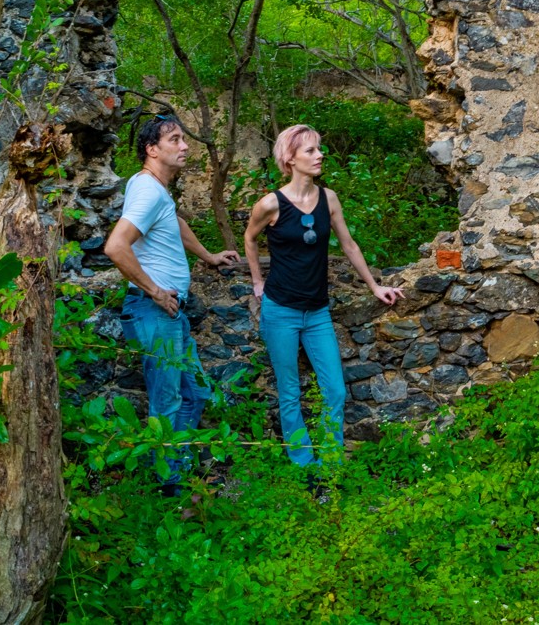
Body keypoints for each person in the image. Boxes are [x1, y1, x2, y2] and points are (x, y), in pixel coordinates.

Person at [244, 124, 403, 468]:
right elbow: (250, 238)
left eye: (319, 149)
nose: (320, 156)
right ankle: (304, 467)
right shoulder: (271, 204)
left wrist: (375, 286)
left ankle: (331, 467)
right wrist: (258, 281)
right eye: (311, 151)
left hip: (317, 313)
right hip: (280, 310)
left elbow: (348, 244)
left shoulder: (328, 198)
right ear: (290, 158)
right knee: (290, 394)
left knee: (335, 391)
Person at [104, 114, 242, 494]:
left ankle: (175, 473)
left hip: (170, 313)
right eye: (175, 140)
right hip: (155, 311)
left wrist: (207, 255)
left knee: (195, 393)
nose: (185, 147)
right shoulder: (148, 191)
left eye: (183, 139)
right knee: (166, 403)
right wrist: (154, 290)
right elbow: (116, 247)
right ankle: (169, 493)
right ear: (152, 150)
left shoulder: (152, 189)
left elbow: (173, 222)